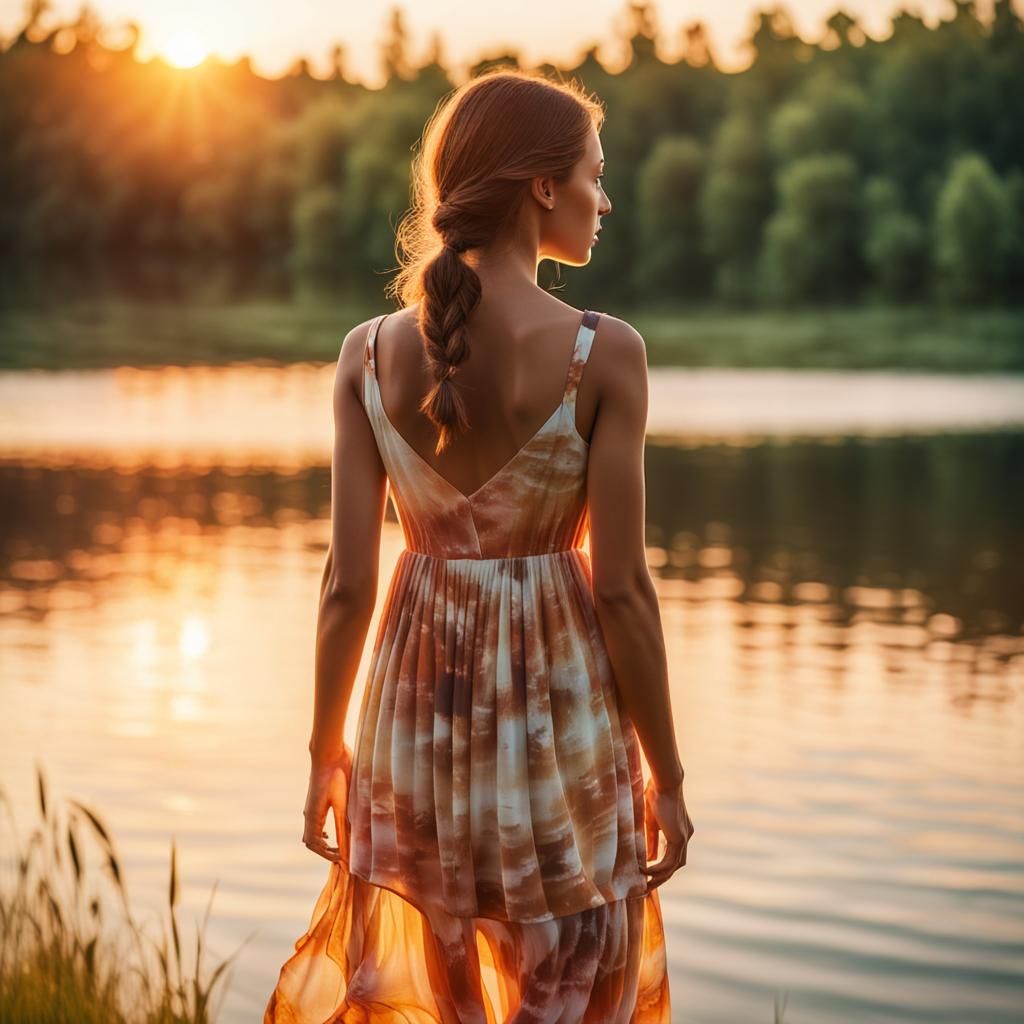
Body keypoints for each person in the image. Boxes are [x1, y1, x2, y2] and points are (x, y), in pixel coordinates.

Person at [264, 66, 694, 1024]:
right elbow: (622, 592)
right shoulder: (604, 352)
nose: (605, 198)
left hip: (410, 733)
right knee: (574, 978)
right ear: (542, 187)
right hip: (563, 730)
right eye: (594, 172)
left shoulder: (365, 355)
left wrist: (322, 753)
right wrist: (668, 774)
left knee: (432, 984)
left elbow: (346, 585)